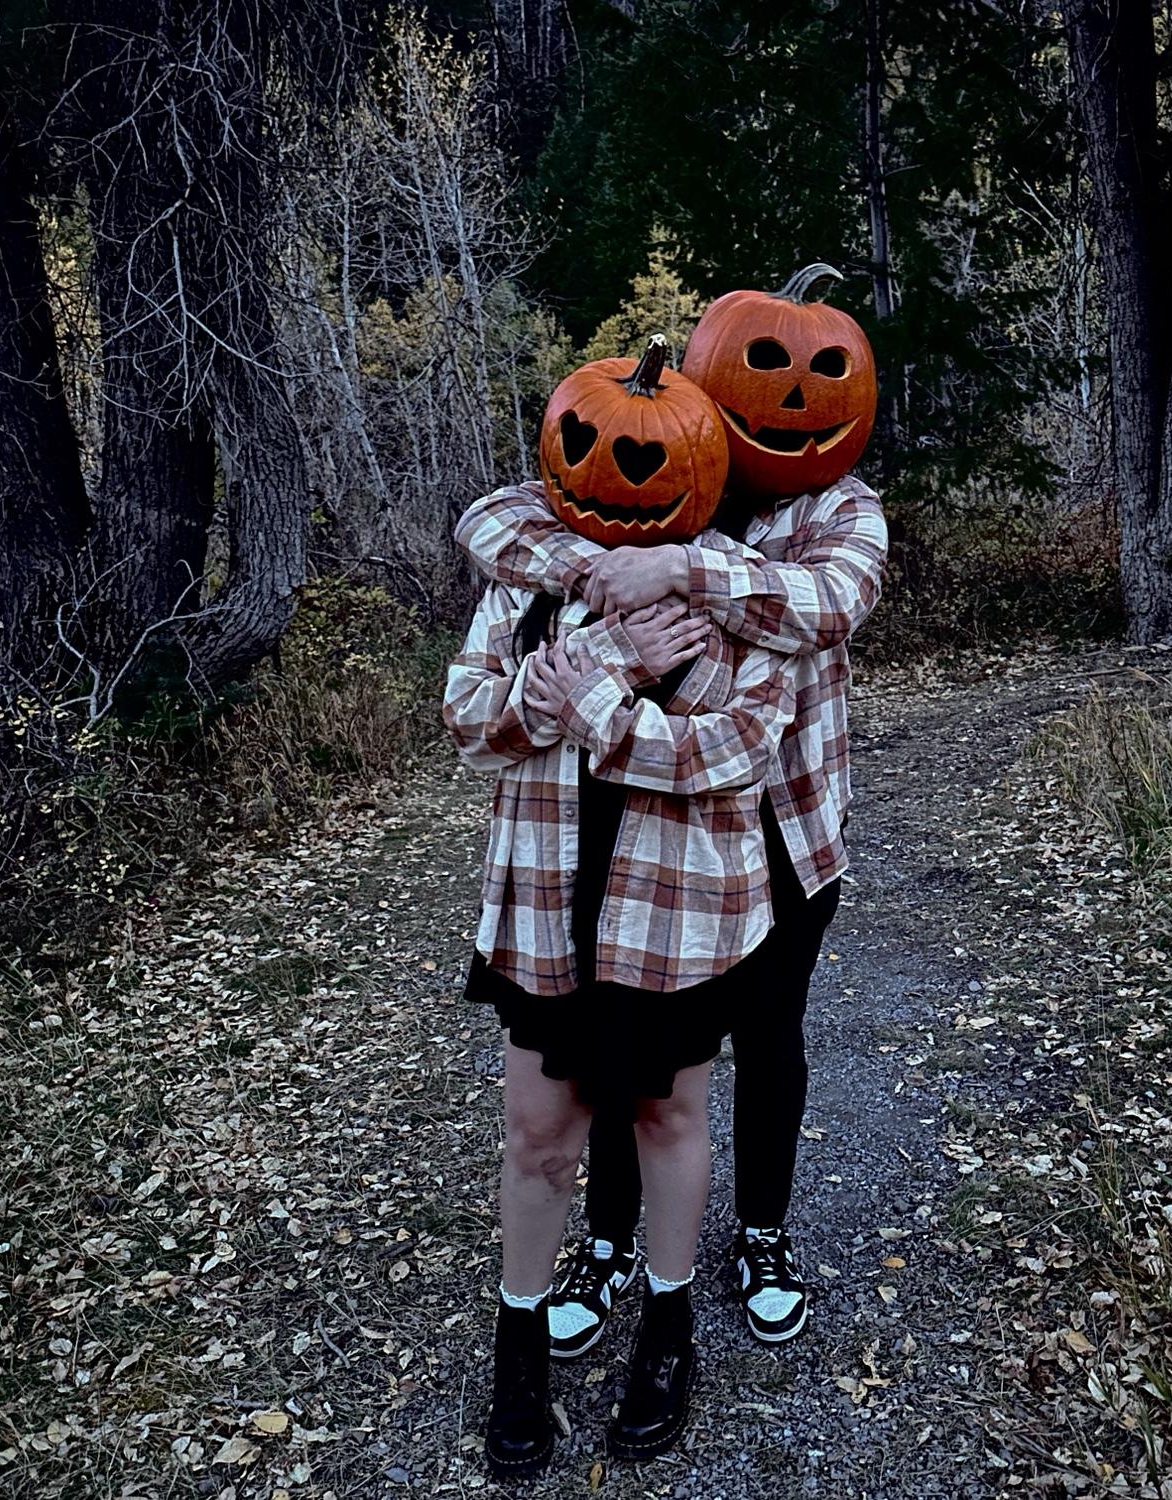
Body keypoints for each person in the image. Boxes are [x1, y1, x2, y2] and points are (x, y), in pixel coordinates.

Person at [455, 468, 887, 1351]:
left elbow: (833, 599)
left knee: (770, 1036)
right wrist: (600, 572)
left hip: (786, 830)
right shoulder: (665, 474)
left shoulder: (834, 506)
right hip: (663, 835)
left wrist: (682, 572)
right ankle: (610, 1239)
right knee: (632, 1046)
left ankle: (763, 1233)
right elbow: (497, 519)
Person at [444, 549, 801, 1475]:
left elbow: (742, 751)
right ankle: (517, 1351)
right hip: (545, 902)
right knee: (539, 1137)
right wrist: (618, 658)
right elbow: (471, 722)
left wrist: (593, 699)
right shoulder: (525, 585)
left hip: (675, 912)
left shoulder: (738, 593)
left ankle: (667, 1331)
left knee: (665, 1115)